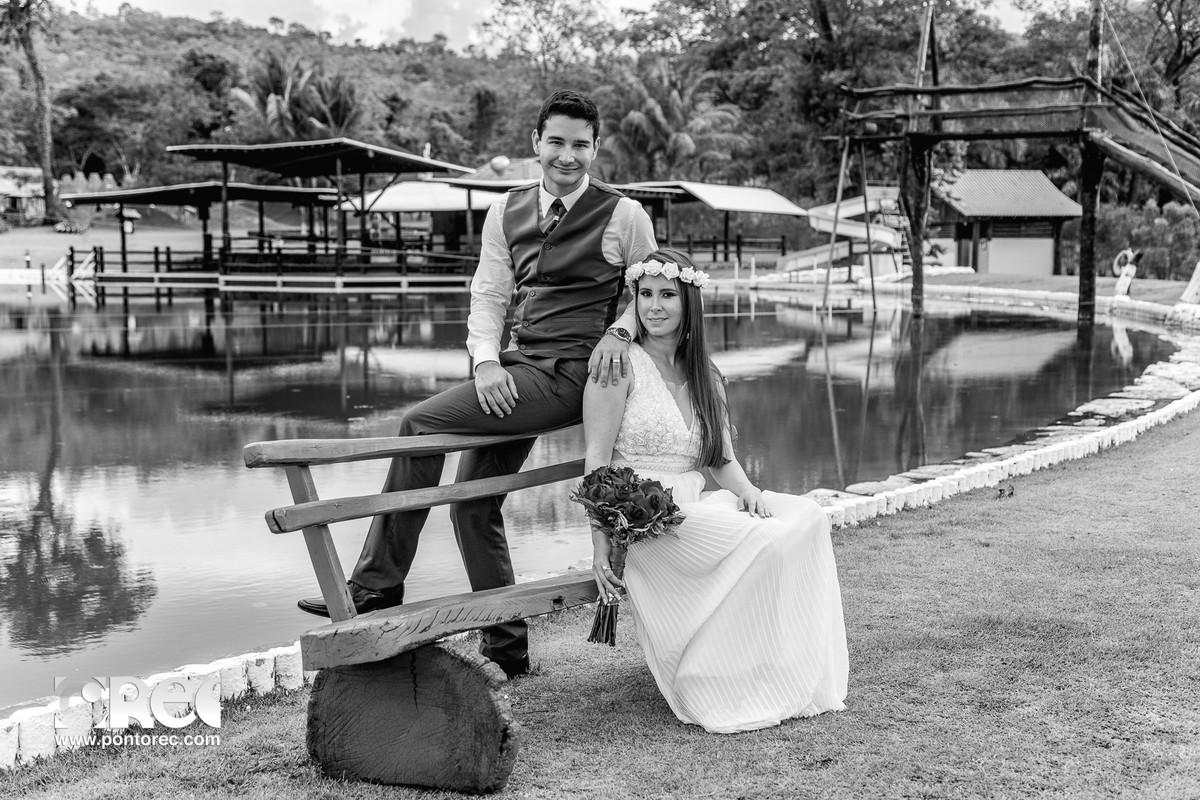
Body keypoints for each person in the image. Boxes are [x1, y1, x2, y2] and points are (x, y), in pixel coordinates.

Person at [297, 90, 658, 680]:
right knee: (474, 505)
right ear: (536, 143)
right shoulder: (506, 210)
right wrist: (486, 364)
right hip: (517, 366)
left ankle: (375, 587)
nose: (568, 156)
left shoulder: (624, 214)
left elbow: (652, 291)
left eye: (582, 145)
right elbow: (489, 295)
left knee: (420, 423)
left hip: (573, 374)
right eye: (558, 142)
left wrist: (620, 331)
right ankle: (507, 651)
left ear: (596, 149)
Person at [583, 248, 849, 733]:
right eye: (645, 295)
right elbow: (597, 464)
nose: (654, 306)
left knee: (805, 518)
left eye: (668, 295)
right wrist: (600, 545)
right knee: (764, 543)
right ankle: (714, 672)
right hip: (647, 522)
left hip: (694, 505)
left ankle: (767, 665)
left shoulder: (705, 373)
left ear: (690, 304)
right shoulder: (617, 367)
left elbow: (720, 459)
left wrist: (750, 492)